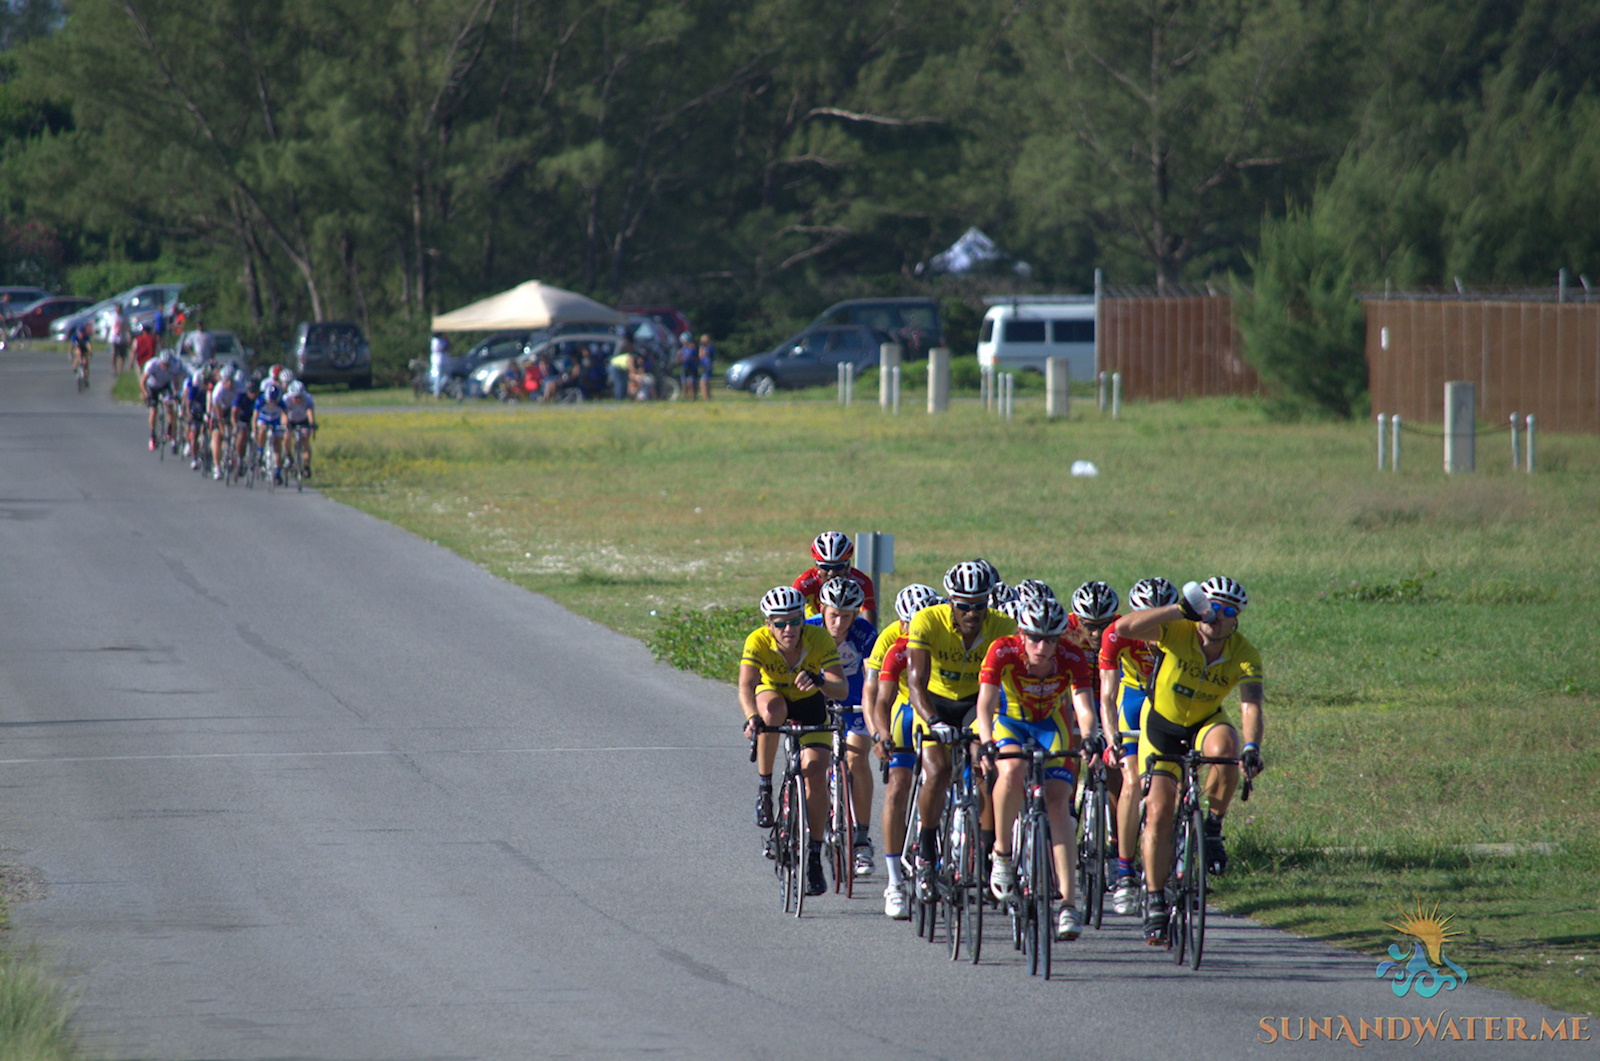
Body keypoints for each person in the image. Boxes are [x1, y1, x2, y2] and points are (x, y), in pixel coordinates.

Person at [1113, 577, 1264, 945]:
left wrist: (1252, 747)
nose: (1216, 618)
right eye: (1210, 609)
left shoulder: (1245, 653)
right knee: (1161, 810)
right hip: (1161, 725)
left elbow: (1250, 705)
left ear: (1236, 621)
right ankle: (1154, 899)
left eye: (1226, 613)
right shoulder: (1178, 629)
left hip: (1204, 721)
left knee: (1228, 748)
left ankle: (1212, 827)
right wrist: (1178, 609)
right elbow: (1122, 629)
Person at [975, 593, 1099, 941]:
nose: (1042, 647)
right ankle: (1001, 854)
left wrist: (1090, 737)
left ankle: (1068, 905)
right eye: (1034, 637)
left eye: (1050, 639)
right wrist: (986, 740)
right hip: (1011, 721)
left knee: (1059, 803)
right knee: (1012, 770)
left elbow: (1083, 706)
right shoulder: (1002, 649)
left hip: (1050, 725)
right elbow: (984, 705)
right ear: (1021, 634)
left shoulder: (1071, 656)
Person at [904, 560, 1016, 900]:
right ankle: (925, 852)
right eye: (964, 605)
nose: (972, 612)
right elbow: (915, 683)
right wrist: (934, 722)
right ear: (950, 601)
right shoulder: (928, 621)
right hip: (934, 704)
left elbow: (1009, 684)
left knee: (988, 769)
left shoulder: (1002, 626)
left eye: (980, 605)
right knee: (937, 770)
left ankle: (984, 856)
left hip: (974, 705)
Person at [739, 586, 848, 897]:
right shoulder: (757, 641)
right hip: (773, 698)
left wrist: (820, 681)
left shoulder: (819, 638)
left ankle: (813, 855)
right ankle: (765, 787)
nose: (789, 629)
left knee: (815, 770)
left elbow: (841, 689)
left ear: (803, 619)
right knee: (773, 711)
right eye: (780, 623)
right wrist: (750, 717)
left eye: (795, 621)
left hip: (810, 704)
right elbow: (746, 686)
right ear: (768, 624)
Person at [1098, 577, 1178, 915]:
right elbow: (1107, 694)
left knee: (1178, 778)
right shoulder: (1117, 633)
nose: (1153, 626)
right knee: (1131, 780)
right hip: (1131, 699)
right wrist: (1112, 737)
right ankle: (1125, 870)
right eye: (1146, 616)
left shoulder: (1185, 632)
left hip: (1167, 699)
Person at [864, 583, 943, 919]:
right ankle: (894, 882)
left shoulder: (943, 638)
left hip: (938, 709)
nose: (916, 631)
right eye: (909, 624)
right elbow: (876, 696)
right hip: (903, 710)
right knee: (898, 786)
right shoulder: (891, 643)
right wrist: (878, 734)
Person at [806, 577, 880, 881]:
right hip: (815, 697)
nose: (838, 623)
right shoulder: (808, 627)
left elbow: (872, 678)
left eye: (846, 616)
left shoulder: (864, 634)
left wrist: (869, 710)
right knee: (813, 759)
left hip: (854, 697)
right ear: (822, 609)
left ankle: (862, 839)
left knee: (856, 757)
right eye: (833, 614)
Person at [792, 530, 877, 624]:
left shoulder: (862, 582)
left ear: (847, 566)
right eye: (826, 567)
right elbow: (792, 615)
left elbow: (869, 619)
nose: (832, 573)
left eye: (839, 567)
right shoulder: (804, 582)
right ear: (817, 566)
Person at [139, 350, 181, 450]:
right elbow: (143, 382)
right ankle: (152, 435)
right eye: (163, 364)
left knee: (170, 406)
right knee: (153, 411)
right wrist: (146, 395)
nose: (165, 367)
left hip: (165, 386)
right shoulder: (152, 364)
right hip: (152, 386)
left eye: (167, 365)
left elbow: (176, 382)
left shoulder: (174, 365)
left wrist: (175, 393)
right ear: (160, 361)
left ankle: (170, 428)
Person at [208, 367, 240, 480]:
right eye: (227, 381)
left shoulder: (240, 387)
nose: (230, 383)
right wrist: (222, 431)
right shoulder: (218, 391)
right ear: (222, 381)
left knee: (238, 432)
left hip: (234, 409)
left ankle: (237, 460)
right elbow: (219, 414)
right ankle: (217, 466)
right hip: (221, 410)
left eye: (232, 380)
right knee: (217, 436)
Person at [254, 377, 289, 483]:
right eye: (270, 401)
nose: (272, 404)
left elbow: (284, 416)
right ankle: (260, 451)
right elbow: (255, 417)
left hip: (275, 420)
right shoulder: (260, 400)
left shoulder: (281, 402)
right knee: (262, 431)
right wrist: (254, 429)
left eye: (274, 402)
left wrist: (285, 426)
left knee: (277, 445)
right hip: (264, 418)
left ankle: (278, 472)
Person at [181, 362, 215, 468]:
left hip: (208, 411)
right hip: (197, 411)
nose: (206, 385)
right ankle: (194, 458)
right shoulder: (195, 389)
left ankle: (208, 450)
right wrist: (188, 414)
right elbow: (189, 403)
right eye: (204, 383)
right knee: (195, 432)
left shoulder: (212, 390)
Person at [283, 381, 317, 477]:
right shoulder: (286, 399)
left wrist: (312, 424)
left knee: (305, 438)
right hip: (291, 420)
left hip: (303, 420)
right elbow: (283, 413)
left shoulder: (308, 398)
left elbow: (310, 412)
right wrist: (286, 424)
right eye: (295, 397)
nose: (298, 400)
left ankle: (306, 466)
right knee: (287, 436)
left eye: (300, 397)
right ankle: (288, 455)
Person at [109, 305, 131, 377]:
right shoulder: (113, 317)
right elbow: (109, 327)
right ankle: (114, 370)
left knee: (122, 355)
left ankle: (120, 371)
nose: (118, 310)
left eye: (119, 309)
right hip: (113, 338)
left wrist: (129, 337)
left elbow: (128, 328)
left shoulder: (124, 318)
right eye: (117, 308)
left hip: (122, 339)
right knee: (114, 355)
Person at [676, 331, 698, 400]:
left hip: (692, 367)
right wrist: (680, 357)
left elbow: (696, 358)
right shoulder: (682, 350)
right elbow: (678, 361)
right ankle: (685, 396)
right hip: (685, 367)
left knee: (691, 383)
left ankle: (692, 396)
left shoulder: (692, 348)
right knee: (684, 383)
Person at [430, 333, 450, 399]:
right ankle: (437, 393)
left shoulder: (444, 340)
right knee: (437, 377)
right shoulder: (436, 340)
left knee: (446, 377)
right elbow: (438, 348)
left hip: (445, 360)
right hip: (437, 360)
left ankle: (438, 389)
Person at [697, 334, 714, 400]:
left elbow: (702, 354)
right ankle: (707, 397)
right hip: (704, 366)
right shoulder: (707, 347)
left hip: (707, 366)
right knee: (705, 383)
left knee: (703, 383)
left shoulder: (709, 347)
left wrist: (701, 348)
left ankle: (707, 397)